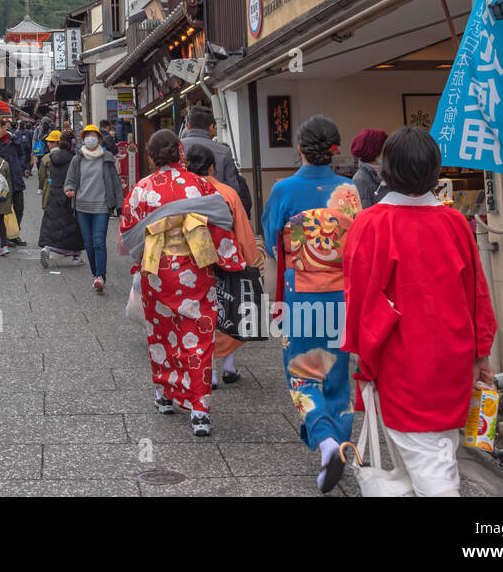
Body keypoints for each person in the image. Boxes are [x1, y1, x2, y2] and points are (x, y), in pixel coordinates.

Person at [343, 127, 498, 496]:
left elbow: (362, 301)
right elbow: (476, 293)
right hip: (453, 353)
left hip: (400, 357)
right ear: (434, 170)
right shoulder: (455, 222)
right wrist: (482, 354)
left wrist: (366, 361)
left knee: (429, 461)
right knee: (436, 446)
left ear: (386, 169)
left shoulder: (371, 224)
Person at [120, 132, 247, 437]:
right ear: (180, 153)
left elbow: (129, 233)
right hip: (195, 268)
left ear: (151, 158)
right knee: (198, 335)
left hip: (157, 270)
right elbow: (220, 221)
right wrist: (231, 259)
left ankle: (165, 393)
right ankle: (199, 409)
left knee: (162, 333)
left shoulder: (142, 189)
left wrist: (144, 254)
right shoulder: (199, 185)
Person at [261, 115, 362, 493]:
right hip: (342, 295)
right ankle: (336, 440)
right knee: (335, 373)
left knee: (303, 373)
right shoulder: (349, 191)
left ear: (300, 148)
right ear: (335, 148)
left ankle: (325, 441)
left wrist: (275, 304)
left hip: (302, 293)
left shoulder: (283, 190)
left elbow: (273, 254)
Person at [183, 140, 260, 385]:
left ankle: (210, 372)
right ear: (213, 168)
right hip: (227, 260)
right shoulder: (227, 192)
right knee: (228, 310)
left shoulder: (185, 192)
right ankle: (228, 365)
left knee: (200, 316)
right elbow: (243, 230)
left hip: (193, 263)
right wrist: (250, 259)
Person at [64, 124, 123, 293]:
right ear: (83, 139)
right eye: (87, 135)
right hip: (82, 206)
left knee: (99, 242)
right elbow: (70, 180)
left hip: (102, 207)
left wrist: (120, 205)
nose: (91, 138)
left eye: (94, 135)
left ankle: (101, 276)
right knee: (88, 244)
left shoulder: (107, 158)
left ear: (99, 138)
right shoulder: (77, 158)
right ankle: (94, 275)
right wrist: (69, 189)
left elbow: (115, 183)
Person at [180, 105, 252, 218]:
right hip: (217, 214)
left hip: (183, 212)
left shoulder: (177, 148)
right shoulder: (224, 151)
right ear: (212, 127)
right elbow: (233, 187)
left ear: (188, 126)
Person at [37, 130, 85, 268]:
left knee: (54, 225)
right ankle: (68, 254)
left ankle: (49, 248)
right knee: (71, 227)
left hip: (53, 193)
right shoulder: (74, 158)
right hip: (69, 194)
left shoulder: (52, 157)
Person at [0, 120, 27, 244]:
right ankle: (5, 236)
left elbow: (22, 154)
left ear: (4, 128)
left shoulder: (14, 140)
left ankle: (15, 234)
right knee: (4, 209)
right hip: (3, 182)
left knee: (19, 207)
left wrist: (21, 166)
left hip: (16, 178)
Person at [350, 128, 388, 208]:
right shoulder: (360, 179)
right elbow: (364, 213)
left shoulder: (387, 172)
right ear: (375, 150)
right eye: (384, 146)